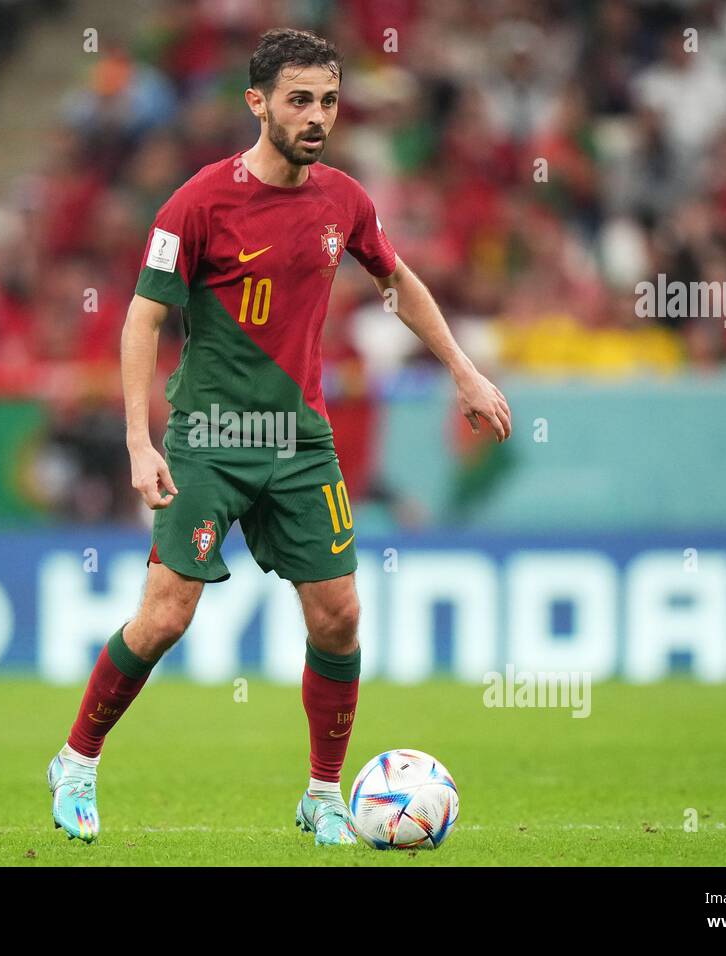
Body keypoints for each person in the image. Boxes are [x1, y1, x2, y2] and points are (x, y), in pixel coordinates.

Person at [46, 28, 512, 845]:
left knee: (338, 619)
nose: (318, 115)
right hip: (208, 438)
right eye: (300, 99)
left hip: (300, 443)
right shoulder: (197, 203)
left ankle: (323, 796)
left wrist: (464, 373)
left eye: (329, 100)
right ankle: (78, 762)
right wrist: (137, 439)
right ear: (257, 103)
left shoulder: (344, 201)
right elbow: (144, 316)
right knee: (164, 617)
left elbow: (396, 281)